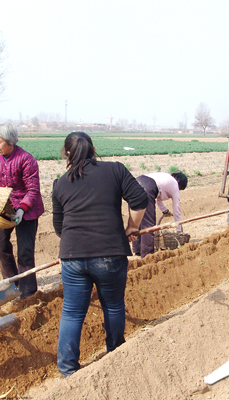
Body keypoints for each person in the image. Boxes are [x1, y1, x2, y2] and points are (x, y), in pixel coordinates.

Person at [52, 131, 148, 378]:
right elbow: (139, 198)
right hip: (110, 254)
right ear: (93, 149)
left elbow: (59, 227)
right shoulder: (115, 170)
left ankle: (67, 369)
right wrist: (132, 227)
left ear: (67, 153)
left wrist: (77, 244)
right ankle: (115, 354)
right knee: (113, 306)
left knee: (72, 312)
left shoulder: (60, 183)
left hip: (72, 257)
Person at [0, 121, 44, 299]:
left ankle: (28, 293)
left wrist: (22, 209)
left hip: (27, 209)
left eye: (0, 141)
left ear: (11, 141)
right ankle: (12, 283)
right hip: (5, 207)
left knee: (25, 252)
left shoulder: (26, 159)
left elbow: (33, 190)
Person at [132, 171, 188, 258]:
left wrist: (165, 211)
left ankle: (137, 249)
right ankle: (147, 255)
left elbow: (158, 199)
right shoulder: (174, 185)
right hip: (147, 187)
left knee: (137, 219)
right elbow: (177, 209)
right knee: (148, 224)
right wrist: (179, 230)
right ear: (180, 185)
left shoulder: (165, 178)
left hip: (135, 183)